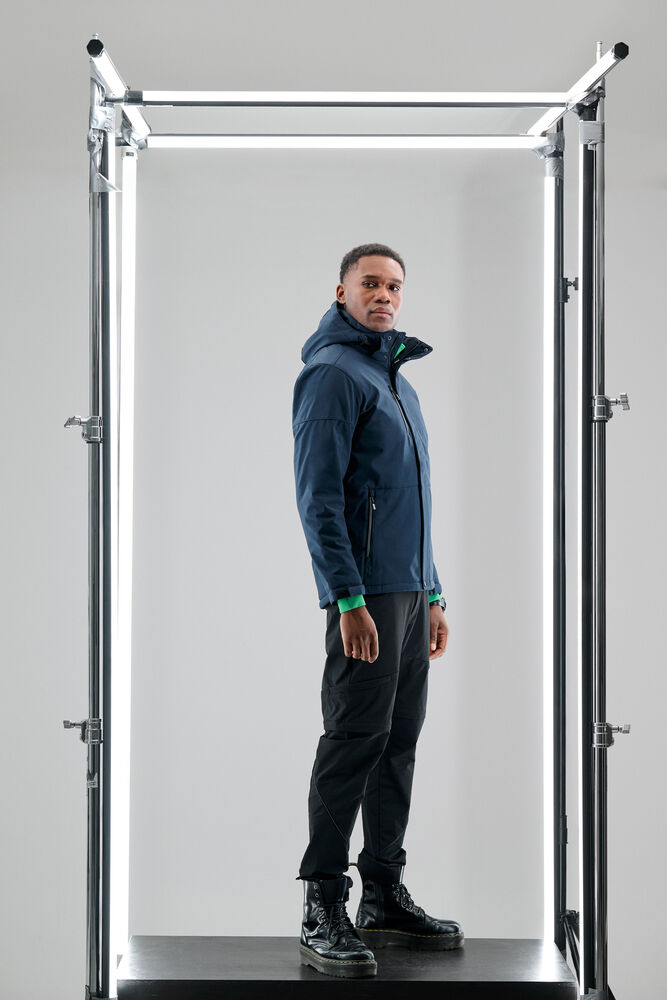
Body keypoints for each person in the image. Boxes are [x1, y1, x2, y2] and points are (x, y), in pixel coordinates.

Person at [291, 243, 464, 979]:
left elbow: (409, 505)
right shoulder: (333, 374)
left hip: (407, 595)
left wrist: (432, 592)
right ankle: (321, 903)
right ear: (342, 291)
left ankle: (383, 895)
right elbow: (319, 498)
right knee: (353, 741)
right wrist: (347, 598)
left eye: (394, 285)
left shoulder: (394, 380)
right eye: (370, 283)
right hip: (364, 596)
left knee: (398, 744)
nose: (384, 295)